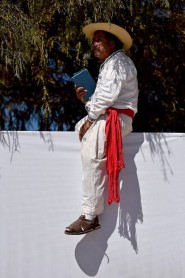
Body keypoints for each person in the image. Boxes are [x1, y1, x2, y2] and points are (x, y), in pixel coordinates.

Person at [64, 22, 138, 235]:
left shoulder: (117, 63)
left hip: (115, 119)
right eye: (93, 41)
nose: (94, 45)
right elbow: (103, 98)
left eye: (98, 40)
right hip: (110, 116)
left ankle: (89, 216)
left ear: (111, 42)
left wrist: (90, 117)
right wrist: (86, 101)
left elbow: (106, 97)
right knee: (87, 142)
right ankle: (90, 214)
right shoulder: (112, 63)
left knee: (93, 156)